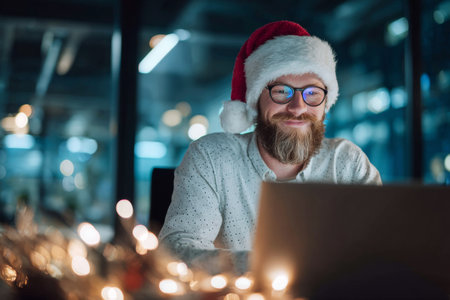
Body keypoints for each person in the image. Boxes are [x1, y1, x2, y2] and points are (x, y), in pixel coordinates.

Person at [159, 20, 381, 273]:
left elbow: (384, 245)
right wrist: (278, 267)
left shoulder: (347, 162)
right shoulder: (212, 156)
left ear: (325, 102)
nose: (298, 107)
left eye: (312, 93)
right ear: (256, 100)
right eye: (282, 91)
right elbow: (176, 250)